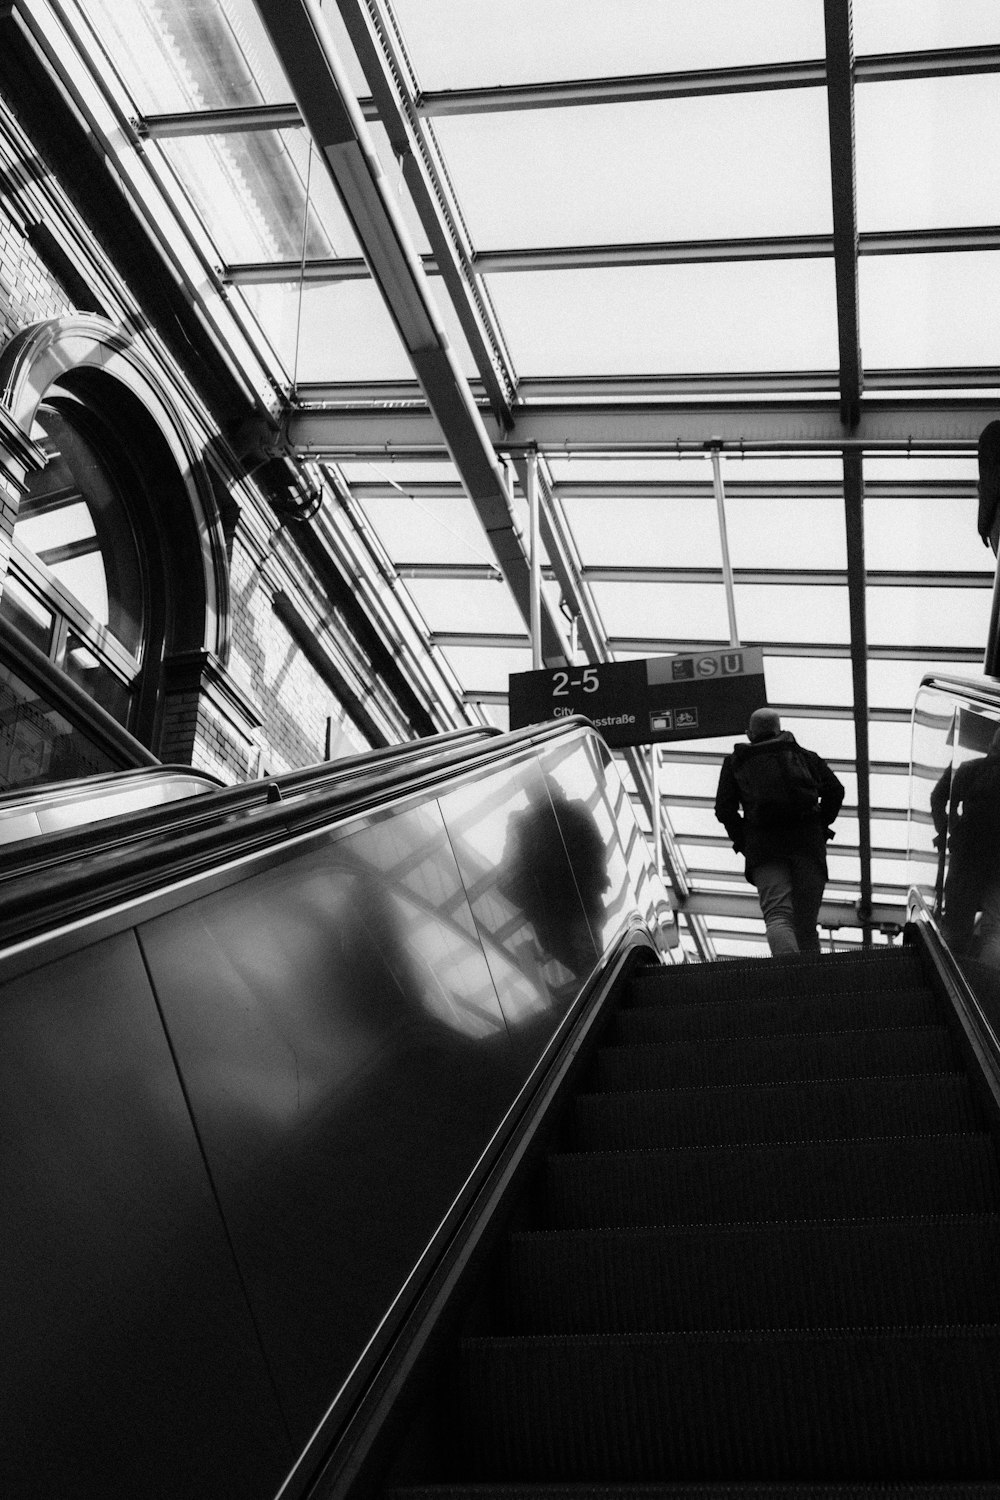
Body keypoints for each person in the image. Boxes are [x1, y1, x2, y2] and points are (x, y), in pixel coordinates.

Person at [715, 707, 844, 957]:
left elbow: (724, 810)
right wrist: (818, 826)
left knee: (778, 917)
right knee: (805, 924)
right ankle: (814, 983)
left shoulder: (735, 763)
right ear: (780, 729)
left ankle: (790, 979)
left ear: (749, 733)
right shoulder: (805, 756)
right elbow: (836, 791)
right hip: (808, 846)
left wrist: (744, 841)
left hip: (763, 849)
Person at [930, 726, 1000, 962]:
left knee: (957, 926)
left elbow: (938, 797)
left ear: (992, 744)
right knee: (995, 929)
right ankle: (986, 988)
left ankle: (954, 974)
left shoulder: (970, 768)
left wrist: (950, 829)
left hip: (967, 854)